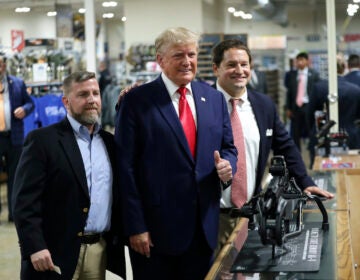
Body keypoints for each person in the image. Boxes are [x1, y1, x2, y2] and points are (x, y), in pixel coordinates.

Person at [115, 27, 237, 280]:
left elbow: (229, 148)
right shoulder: (137, 101)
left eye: (191, 54)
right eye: (179, 55)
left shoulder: (213, 98)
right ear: (160, 60)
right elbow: (124, 169)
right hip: (155, 234)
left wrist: (228, 166)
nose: (187, 61)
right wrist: (136, 226)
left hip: (203, 229)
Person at [211, 39, 334, 256]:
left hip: (253, 215)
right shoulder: (202, 103)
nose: (239, 70)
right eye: (231, 65)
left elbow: (285, 146)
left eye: (244, 64)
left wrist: (305, 182)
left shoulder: (263, 104)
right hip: (212, 217)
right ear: (216, 68)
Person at [12, 71, 126, 280]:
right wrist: (34, 246)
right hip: (54, 255)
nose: (91, 100)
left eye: (95, 93)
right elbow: (24, 201)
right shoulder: (42, 141)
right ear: (66, 101)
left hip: (98, 252)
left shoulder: (110, 143)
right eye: (83, 94)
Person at [0, 53, 34, 222]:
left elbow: (31, 103)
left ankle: (14, 213)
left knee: (15, 176)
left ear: (5, 65)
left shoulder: (17, 84)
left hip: (14, 137)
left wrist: (24, 109)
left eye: (1, 64)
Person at [308, 55, 360, 157]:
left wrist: (315, 131)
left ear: (329, 69)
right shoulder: (355, 90)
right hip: (350, 138)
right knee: (349, 169)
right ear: (344, 68)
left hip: (323, 139)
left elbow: (310, 114)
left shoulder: (318, 88)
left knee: (322, 170)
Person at [285, 52, 320, 152]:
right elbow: (289, 92)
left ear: (307, 61)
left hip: (309, 107)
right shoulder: (291, 75)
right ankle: (297, 153)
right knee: (295, 133)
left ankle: (312, 150)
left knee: (311, 131)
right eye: (298, 61)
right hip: (296, 107)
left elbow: (317, 92)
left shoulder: (314, 74)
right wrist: (288, 108)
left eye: (302, 60)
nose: (299, 63)